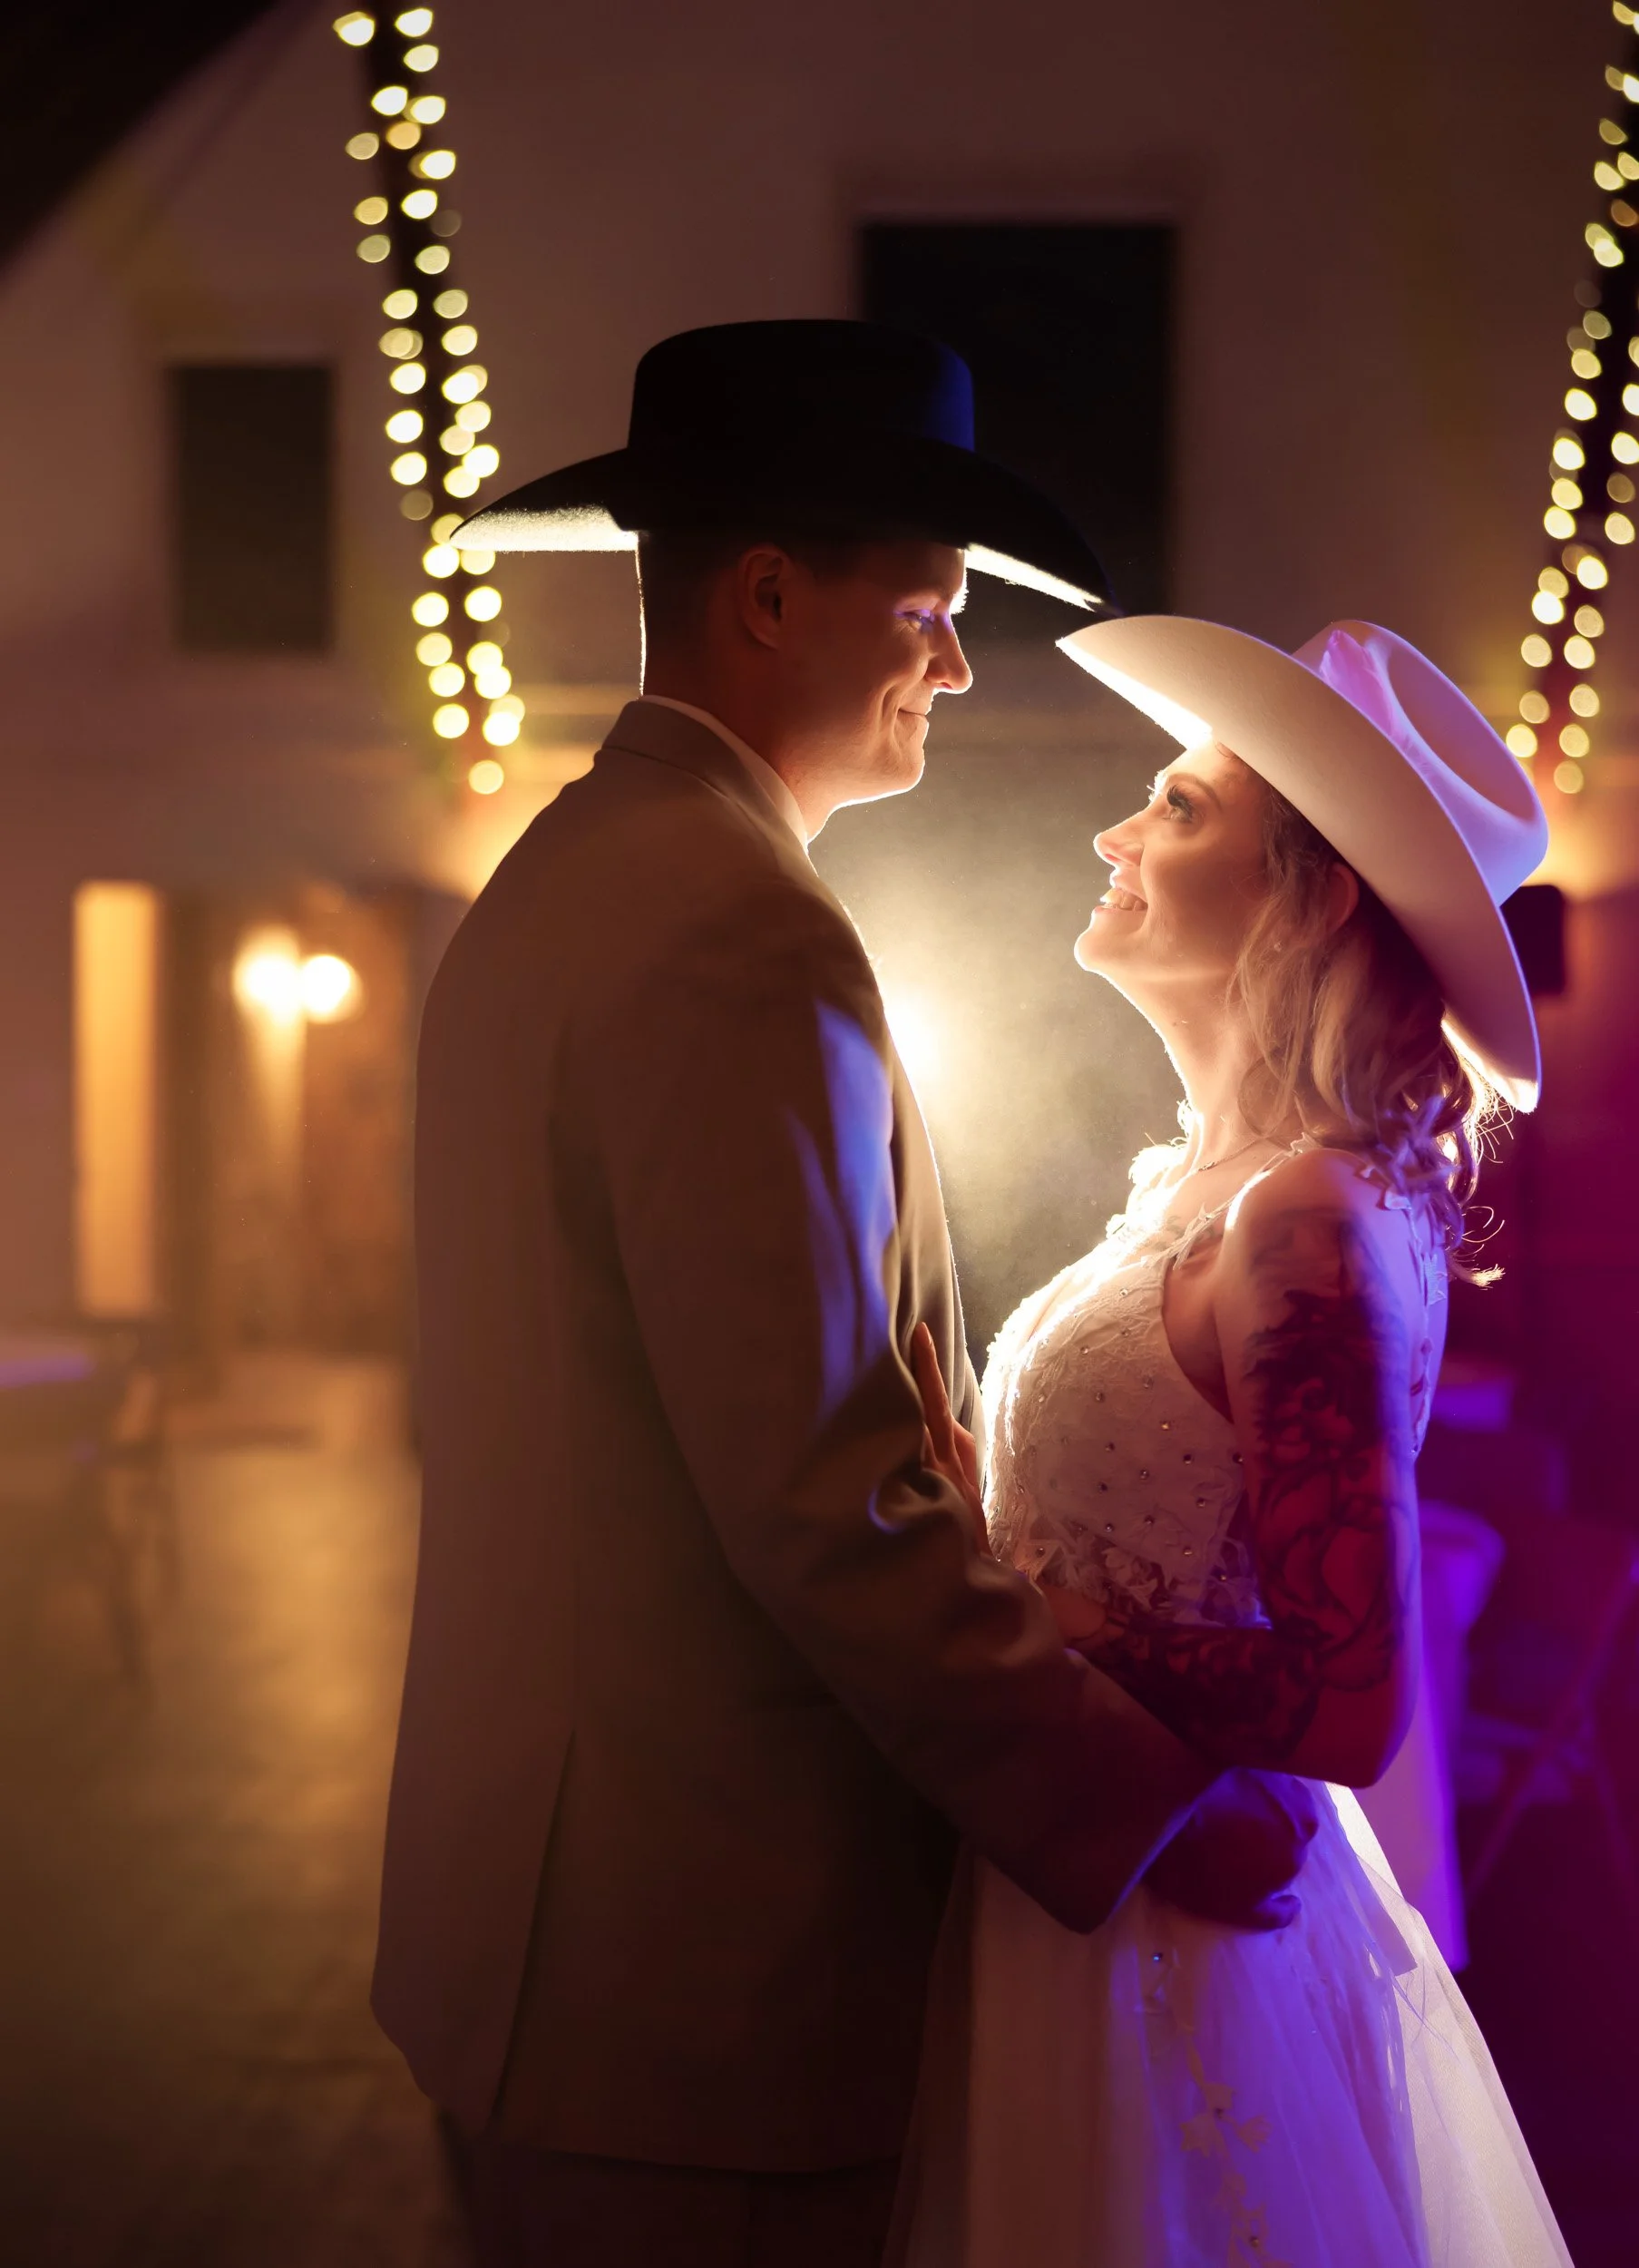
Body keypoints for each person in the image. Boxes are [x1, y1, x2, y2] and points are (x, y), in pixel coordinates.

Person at [371, 322, 1315, 2268]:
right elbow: (827, 1493)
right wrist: (1141, 1807)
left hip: (581, 1927)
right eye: (935, 605)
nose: (958, 664)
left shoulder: (583, 870)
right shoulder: (735, 933)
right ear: (772, 596)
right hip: (699, 1964)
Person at [896, 614, 1574, 2265]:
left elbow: (1349, 1706)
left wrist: (1042, 1620)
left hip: (1174, 1950)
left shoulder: (1310, 1221)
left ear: (1313, 891)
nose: (1114, 834)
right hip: (1097, 1881)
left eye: (1178, 808)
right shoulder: (1212, 1188)